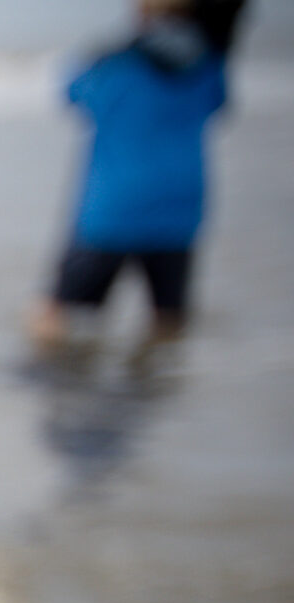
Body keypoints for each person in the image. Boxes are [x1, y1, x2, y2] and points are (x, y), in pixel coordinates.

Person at [27, 0, 230, 351]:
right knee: (168, 319)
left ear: (141, 13)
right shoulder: (207, 64)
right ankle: (156, 388)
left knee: (58, 315)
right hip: (179, 208)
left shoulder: (112, 62)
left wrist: (89, 58)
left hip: (113, 208)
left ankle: (57, 386)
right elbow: (219, 104)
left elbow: (71, 93)